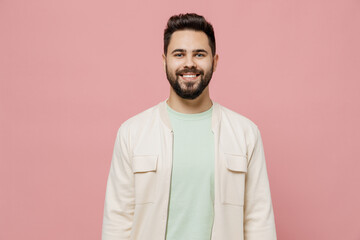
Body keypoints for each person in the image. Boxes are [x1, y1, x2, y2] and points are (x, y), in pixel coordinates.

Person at [102, 13, 277, 240]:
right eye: (179, 54)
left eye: (199, 54)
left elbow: (259, 222)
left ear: (214, 62)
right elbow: (117, 221)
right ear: (164, 60)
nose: (189, 63)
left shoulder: (245, 133)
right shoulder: (132, 133)